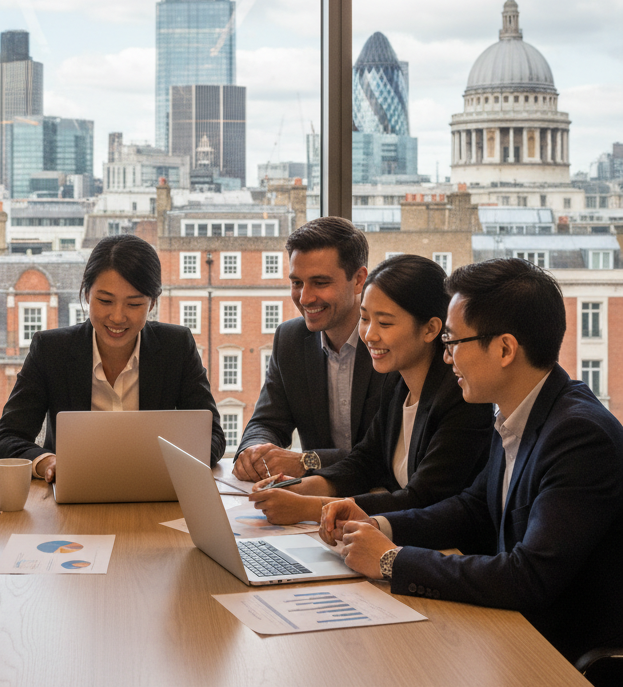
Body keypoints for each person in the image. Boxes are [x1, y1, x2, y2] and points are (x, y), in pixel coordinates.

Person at [322, 258, 623, 665]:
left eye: (453, 341)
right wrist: (378, 526)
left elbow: (527, 577)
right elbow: (474, 507)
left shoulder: (579, 436)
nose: (447, 358)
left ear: (504, 349)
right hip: (509, 630)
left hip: (558, 653)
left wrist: (391, 559)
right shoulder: (518, 410)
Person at [248, 254, 492, 525]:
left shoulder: (461, 397)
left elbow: (421, 498)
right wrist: (296, 488)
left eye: (385, 323)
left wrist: (310, 508)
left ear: (431, 329)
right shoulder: (398, 382)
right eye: (364, 319)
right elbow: (365, 462)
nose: (369, 335)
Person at [0, 233, 225, 480]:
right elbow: (6, 439)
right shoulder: (51, 349)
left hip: (154, 493)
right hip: (72, 496)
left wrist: (163, 463)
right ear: (86, 294)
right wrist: (48, 461)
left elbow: (213, 437)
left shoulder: (175, 346)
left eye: (133, 304)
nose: (117, 317)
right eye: (105, 300)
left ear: (152, 303)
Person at [232, 216, 395, 483]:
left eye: (320, 283)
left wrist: (307, 461)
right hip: (313, 502)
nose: (305, 298)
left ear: (358, 280)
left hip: (382, 500)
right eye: (297, 283)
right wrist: (254, 451)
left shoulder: (390, 342)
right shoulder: (290, 338)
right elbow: (267, 422)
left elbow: (387, 452)